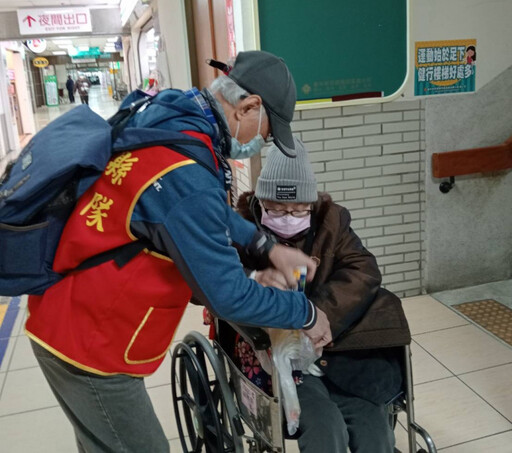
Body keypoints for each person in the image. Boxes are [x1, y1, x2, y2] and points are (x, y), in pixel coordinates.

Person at [26, 50, 331, 453]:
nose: (261, 143)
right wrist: (306, 313)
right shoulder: (187, 172)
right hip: (89, 340)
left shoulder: (174, 114)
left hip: (71, 308)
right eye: (268, 131)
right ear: (248, 106)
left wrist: (265, 247)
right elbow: (229, 297)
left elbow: (198, 208)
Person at [229, 137, 411, 453]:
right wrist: (255, 280)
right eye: (277, 209)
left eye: (298, 210)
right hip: (275, 356)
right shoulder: (242, 226)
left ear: (311, 204)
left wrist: (317, 315)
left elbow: (362, 272)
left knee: (374, 432)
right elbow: (209, 283)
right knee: (326, 431)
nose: (287, 217)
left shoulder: (332, 221)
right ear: (261, 203)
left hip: (334, 349)